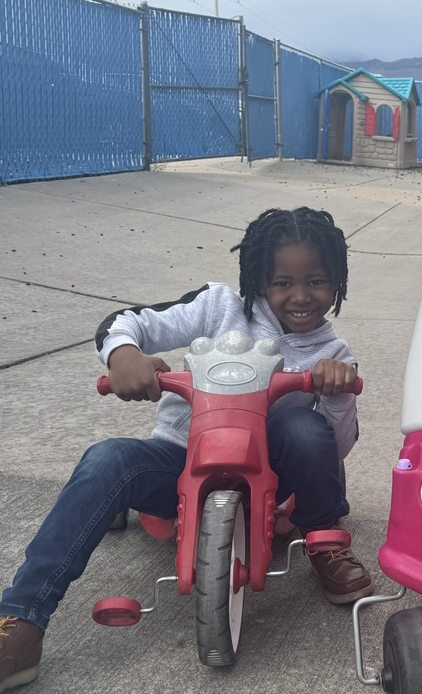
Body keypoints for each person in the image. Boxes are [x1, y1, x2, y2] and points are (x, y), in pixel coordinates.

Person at [0, 206, 373, 690]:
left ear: (337, 282)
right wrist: (124, 354)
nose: (300, 296)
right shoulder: (219, 307)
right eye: (282, 282)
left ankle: (325, 541)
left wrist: (337, 393)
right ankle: (23, 618)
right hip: (183, 457)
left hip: (268, 474)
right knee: (106, 462)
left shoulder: (334, 354)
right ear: (260, 278)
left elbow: (333, 450)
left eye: (316, 281)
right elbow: (129, 322)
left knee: (304, 426)